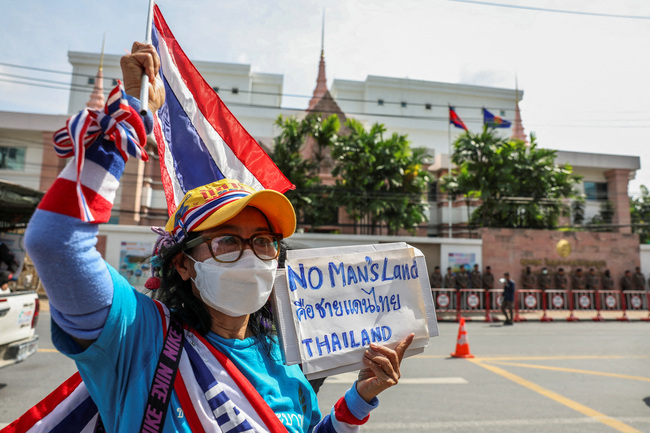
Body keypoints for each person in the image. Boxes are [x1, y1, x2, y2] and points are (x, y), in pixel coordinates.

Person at [23, 42, 413, 433]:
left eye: (263, 241)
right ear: (184, 264)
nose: (251, 256)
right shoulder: (139, 338)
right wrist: (132, 114)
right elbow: (55, 241)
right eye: (227, 241)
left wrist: (358, 401)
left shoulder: (285, 362)